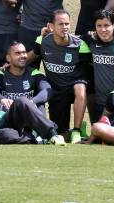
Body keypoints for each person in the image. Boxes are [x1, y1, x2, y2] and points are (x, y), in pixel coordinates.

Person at [30, 9, 90, 142]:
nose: (65, 27)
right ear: (51, 26)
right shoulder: (43, 41)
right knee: (62, 135)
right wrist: (8, 65)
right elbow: (31, 56)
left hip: (75, 84)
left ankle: (77, 130)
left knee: (80, 88)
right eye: (61, 24)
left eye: (67, 24)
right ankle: (71, 131)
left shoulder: (80, 44)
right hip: (56, 90)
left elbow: (91, 67)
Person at [0, 41, 51, 114]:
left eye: (24, 52)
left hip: (29, 112)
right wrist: (2, 99)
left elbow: (47, 91)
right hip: (8, 113)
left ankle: (44, 125)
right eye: (18, 53)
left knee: (40, 105)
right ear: (8, 58)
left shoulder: (34, 73)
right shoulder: (0, 74)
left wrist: (31, 102)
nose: (22, 56)